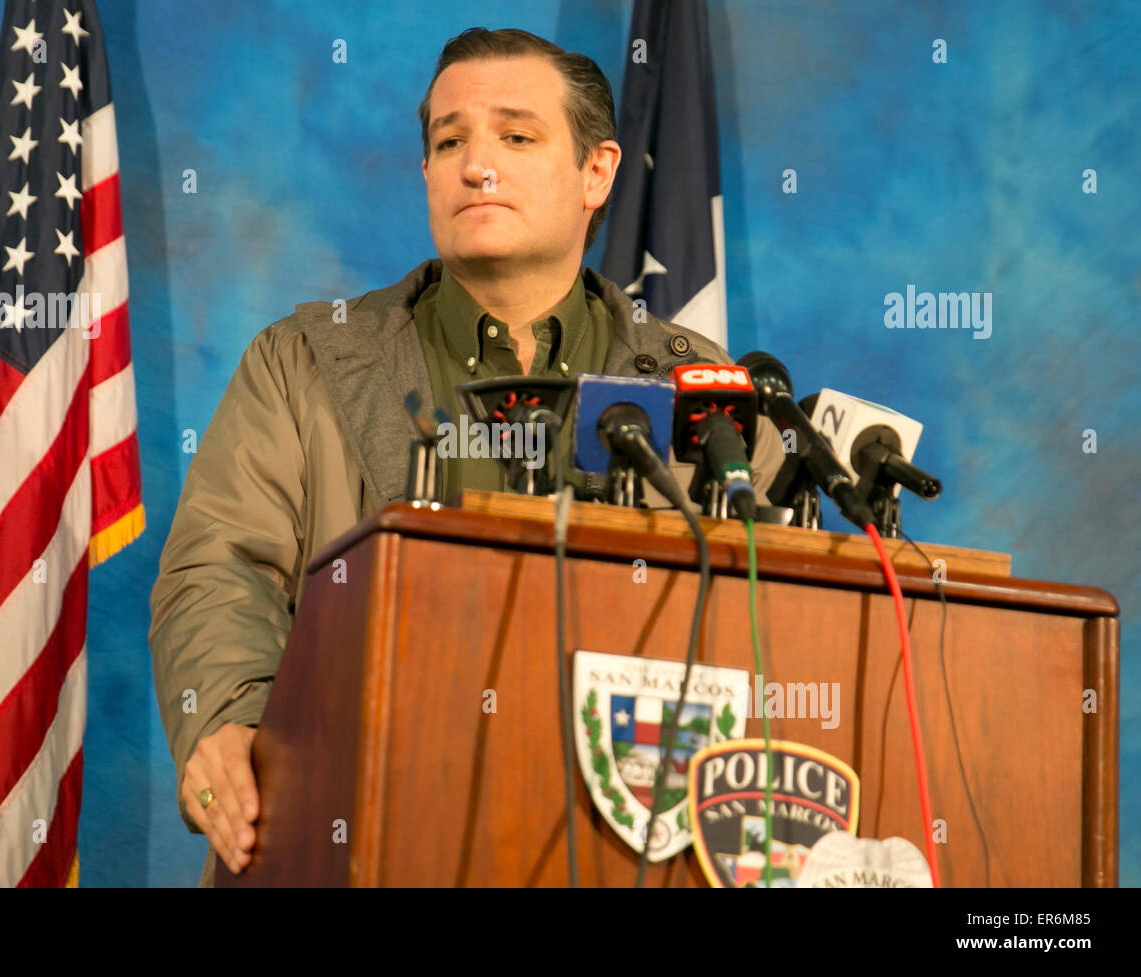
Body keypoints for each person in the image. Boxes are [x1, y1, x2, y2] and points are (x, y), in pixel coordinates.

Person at [148, 27, 785, 886]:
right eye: (450, 142)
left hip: (627, 847)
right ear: (426, 174)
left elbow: (783, 614)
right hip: (345, 833)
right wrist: (228, 720)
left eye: (517, 137)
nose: (476, 166)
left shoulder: (708, 398)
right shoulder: (302, 362)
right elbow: (220, 568)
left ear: (598, 173)